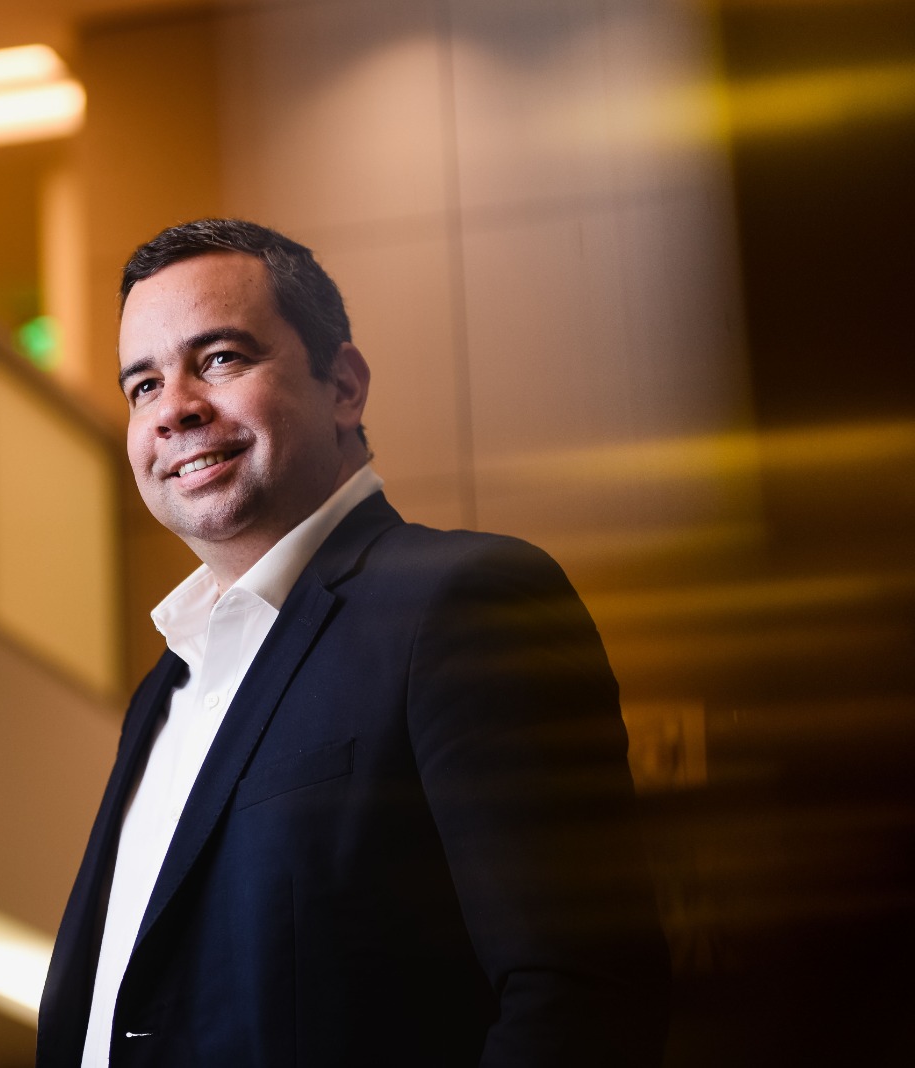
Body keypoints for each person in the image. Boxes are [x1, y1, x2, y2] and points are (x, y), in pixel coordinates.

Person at [36, 219, 670, 1067]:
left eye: (219, 358)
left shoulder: (463, 604)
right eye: (143, 384)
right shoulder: (164, 688)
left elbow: (580, 994)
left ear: (343, 385)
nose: (175, 408)